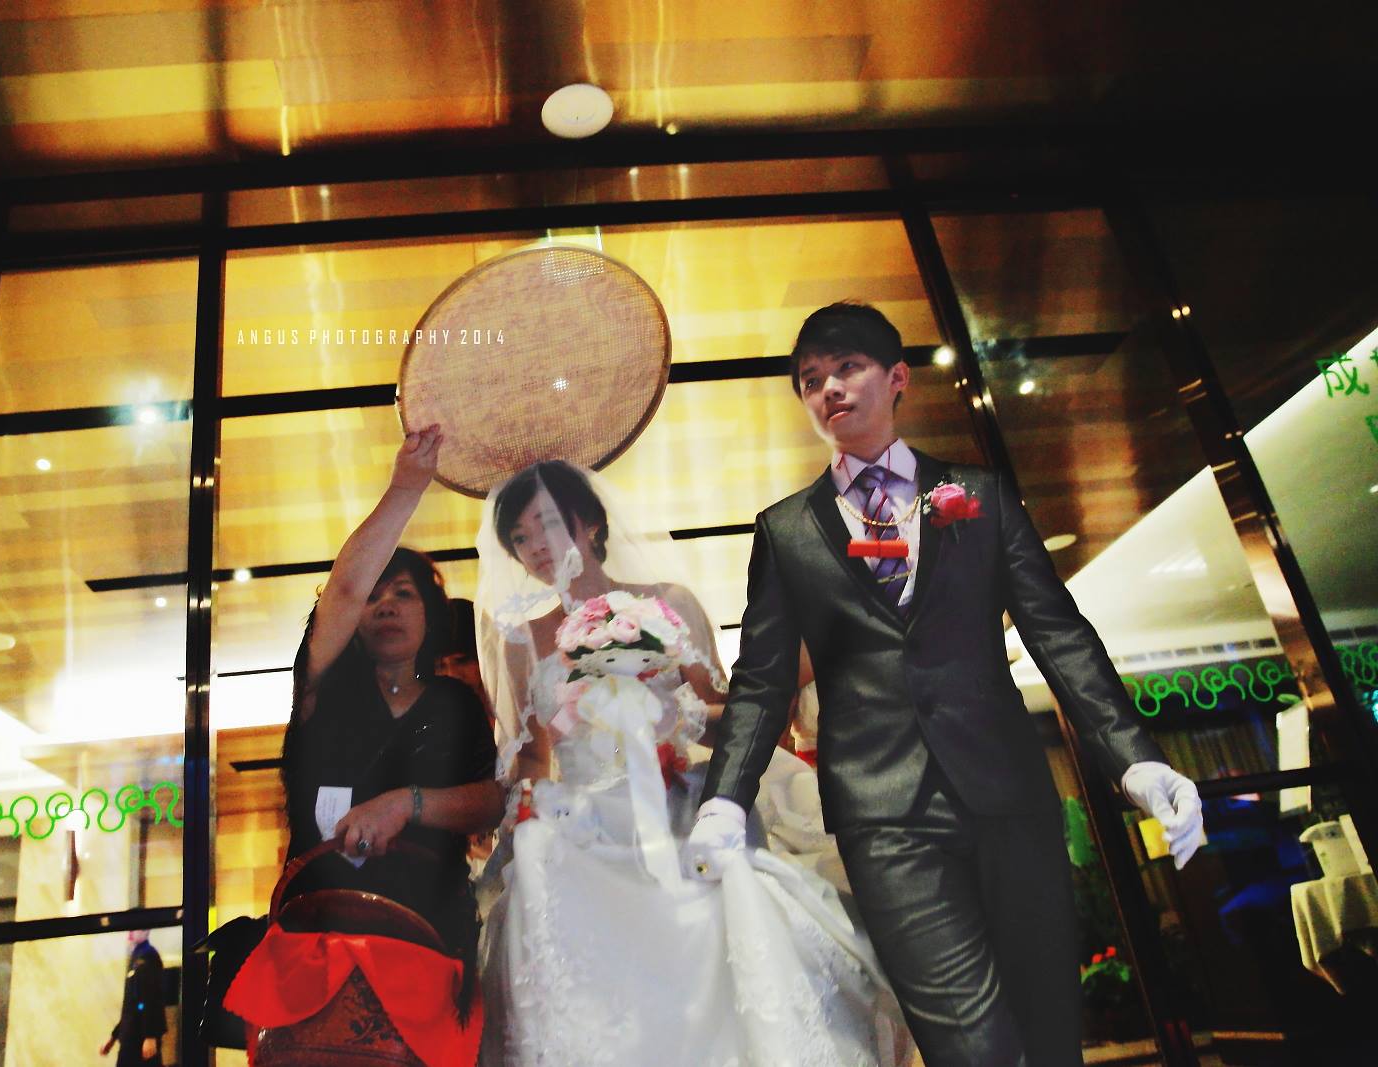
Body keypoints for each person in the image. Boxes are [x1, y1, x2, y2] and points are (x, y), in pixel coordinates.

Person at [688, 302, 1206, 1067]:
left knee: (1048, 1031)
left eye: (847, 367)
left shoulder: (982, 496)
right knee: (972, 1044)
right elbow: (763, 679)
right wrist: (725, 799)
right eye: (811, 379)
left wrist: (1137, 759)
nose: (829, 388)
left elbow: (1057, 632)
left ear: (897, 378)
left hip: (1008, 794)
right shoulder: (787, 530)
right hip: (883, 814)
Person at [475, 459, 914, 1067]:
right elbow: (531, 753)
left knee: (718, 914)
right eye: (520, 538)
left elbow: (723, 712)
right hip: (584, 822)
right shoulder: (521, 640)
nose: (536, 547)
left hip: (674, 800)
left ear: (592, 523)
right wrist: (522, 804)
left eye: (547, 524)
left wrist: (672, 718)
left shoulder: (665, 603)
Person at [274, 425, 503, 1037]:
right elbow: (345, 587)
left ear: (429, 616)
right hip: (321, 932)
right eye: (374, 597)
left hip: (433, 934)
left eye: (404, 593)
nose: (385, 604)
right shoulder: (324, 689)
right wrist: (406, 487)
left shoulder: (455, 703)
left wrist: (409, 804)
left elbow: (493, 798)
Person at [99, 930, 164, 1065]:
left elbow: (152, 998)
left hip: (139, 1039)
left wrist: (150, 1035)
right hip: (131, 1037)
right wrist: (114, 1037)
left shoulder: (149, 956)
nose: (131, 932)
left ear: (146, 931)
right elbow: (131, 1005)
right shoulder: (136, 956)